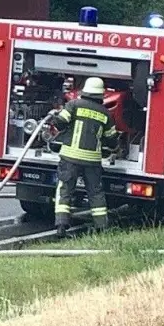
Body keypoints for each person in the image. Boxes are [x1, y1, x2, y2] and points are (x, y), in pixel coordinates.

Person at [45, 76, 121, 235]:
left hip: (70, 157)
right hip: (92, 160)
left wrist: (55, 116)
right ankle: (102, 226)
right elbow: (112, 140)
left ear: (85, 91)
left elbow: (60, 123)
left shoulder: (73, 105)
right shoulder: (106, 114)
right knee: (95, 192)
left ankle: (61, 225)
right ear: (101, 94)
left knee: (65, 189)